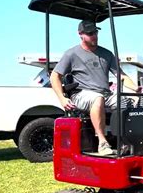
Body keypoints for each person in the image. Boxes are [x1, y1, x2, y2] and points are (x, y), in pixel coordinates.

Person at [50, 20, 138, 155]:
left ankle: (125, 142)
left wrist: (135, 88)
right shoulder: (71, 54)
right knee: (98, 98)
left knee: (126, 102)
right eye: (90, 33)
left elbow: (121, 76)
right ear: (80, 34)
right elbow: (55, 76)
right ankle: (102, 143)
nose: (94, 36)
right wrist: (62, 98)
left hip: (105, 94)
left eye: (95, 32)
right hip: (81, 95)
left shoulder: (107, 54)